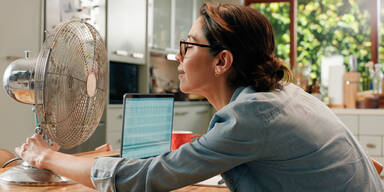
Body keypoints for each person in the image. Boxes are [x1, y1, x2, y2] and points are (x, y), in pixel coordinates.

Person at [15, 3, 383, 191]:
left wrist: (47, 156)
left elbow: (145, 178)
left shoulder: (252, 116)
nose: (178, 57)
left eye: (187, 46)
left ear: (222, 61)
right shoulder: (285, 96)